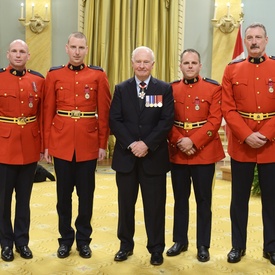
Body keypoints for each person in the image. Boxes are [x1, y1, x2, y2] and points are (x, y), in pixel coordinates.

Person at [43, 32, 111, 259]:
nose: (77, 51)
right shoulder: (54, 75)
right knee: (63, 197)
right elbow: (47, 112)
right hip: (61, 143)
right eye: (73, 47)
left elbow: (104, 112)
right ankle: (65, 239)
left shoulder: (98, 75)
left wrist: (103, 143)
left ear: (87, 49)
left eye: (81, 47)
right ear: (66, 48)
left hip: (88, 143)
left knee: (86, 195)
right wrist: (47, 145)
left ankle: (83, 240)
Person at [109, 46, 174, 266]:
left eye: (146, 62)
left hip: (153, 158)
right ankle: (125, 246)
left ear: (153, 64)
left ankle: (156, 249)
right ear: (132, 63)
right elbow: (115, 120)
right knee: (125, 206)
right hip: (126, 159)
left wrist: (146, 144)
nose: (142, 65)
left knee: (155, 207)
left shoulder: (163, 89)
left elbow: (166, 121)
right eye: (138, 61)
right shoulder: (121, 89)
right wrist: (131, 144)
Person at [222, 23, 275, 265]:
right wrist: (246, 135)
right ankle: (237, 246)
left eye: (258, 37)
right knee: (239, 199)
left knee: (272, 199)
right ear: (246, 41)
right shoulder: (232, 70)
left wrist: (265, 134)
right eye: (250, 38)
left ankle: (271, 247)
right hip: (242, 144)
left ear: (266, 40)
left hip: (271, 143)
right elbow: (228, 108)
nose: (254, 42)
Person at [166, 49, 225, 262]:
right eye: (186, 62)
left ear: (200, 66)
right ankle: (180, 241)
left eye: (194, 62)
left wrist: (194, 141)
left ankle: (203, 245)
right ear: (180, 66)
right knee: (180, 200)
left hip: (204, 152)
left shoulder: (213, 88)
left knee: (203, 200)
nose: (190, 66)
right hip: (178, 151)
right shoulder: (170, 89)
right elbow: (164, 119)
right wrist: (179, 140)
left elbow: (215, 120)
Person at [0, 40, 44, 261]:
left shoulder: (38, 80)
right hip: (4, 148)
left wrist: (43, 147)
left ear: (28, 55)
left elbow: (43, 115)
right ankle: (5, 243)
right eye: (14, 51)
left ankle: (22, 242)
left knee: (24, 200)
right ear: (8, 54)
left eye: (22, 52)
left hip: (29, 147)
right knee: (3, 200)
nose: (18, 55)